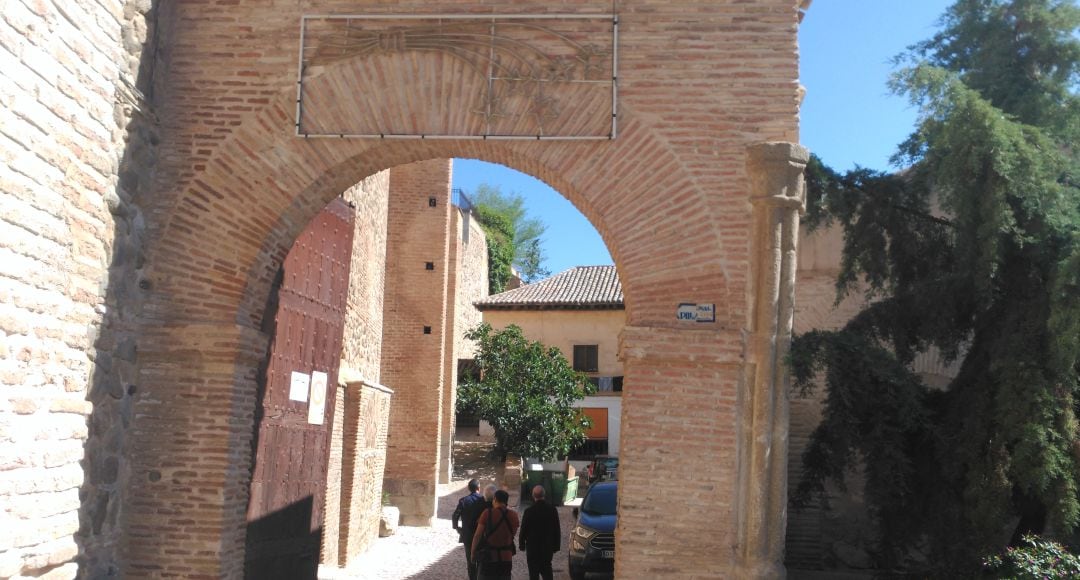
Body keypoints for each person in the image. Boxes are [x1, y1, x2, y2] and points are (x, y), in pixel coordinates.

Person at [471, 489, 520, 580]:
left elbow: (477, 535)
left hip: (489, 557)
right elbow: (512, 534)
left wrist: (473, 553)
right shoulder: (514, 515)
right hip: (506, 557)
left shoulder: (487, 513)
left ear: (495, 499)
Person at [519, 485, 561, 580]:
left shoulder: (529, 511)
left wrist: (521, 544)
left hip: (532, 548)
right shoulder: (552, 510)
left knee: (533, 574)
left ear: (533, 496)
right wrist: (556, 546)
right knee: (547, 572)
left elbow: (523, 529)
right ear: (544, 495)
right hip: (547, 547)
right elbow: (556, 529)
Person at [452, 479, 485, 580]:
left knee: (470, 559)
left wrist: (457, 527)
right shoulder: (484, 500)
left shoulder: (463, 501)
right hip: (481, 535)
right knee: (481, 559)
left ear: (468, 488)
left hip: (467, 535)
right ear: (479, 488)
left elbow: (455, 515)